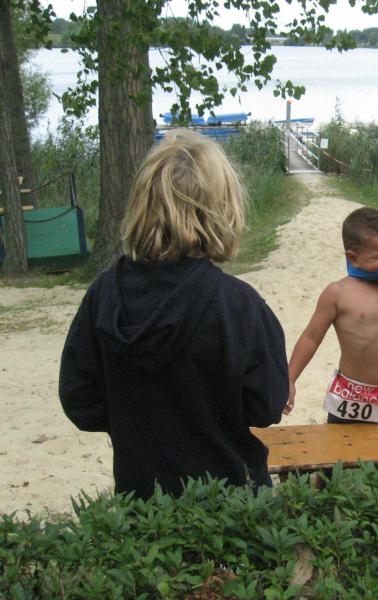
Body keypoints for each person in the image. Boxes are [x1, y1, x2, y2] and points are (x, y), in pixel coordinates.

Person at [59, 129, 289, 499]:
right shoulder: (238, 305)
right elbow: (266, 406)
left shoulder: (103, 296)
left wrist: (136, 420)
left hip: (142, 503)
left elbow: (80, 401)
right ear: (223, 207)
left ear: (141, 203)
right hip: (230, 501)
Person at [284, 207, 378, 424]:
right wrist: (290, 379)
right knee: (341, 441)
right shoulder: (337, 293)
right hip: (351, 394)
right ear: (353, 258)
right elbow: (310, 338)